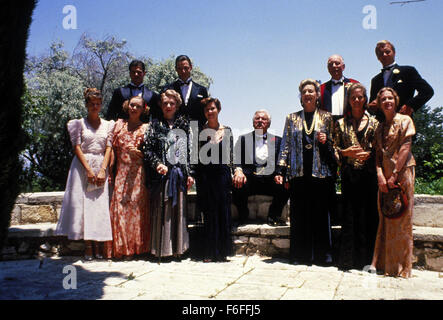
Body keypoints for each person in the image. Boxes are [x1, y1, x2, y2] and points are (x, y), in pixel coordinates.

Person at [275, 79, 336, 266]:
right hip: (298, 172)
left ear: (317, 95)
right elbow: (285, 144)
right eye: (304, 91)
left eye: (311, 91)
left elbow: (335, 147)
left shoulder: (327, 117)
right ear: (301, 96)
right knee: (300, 216)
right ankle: (300, 256)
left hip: (320, 173)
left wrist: (327, 141)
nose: (308, 94)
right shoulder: (291, 118)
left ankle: (322, 257)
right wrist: (280, 170)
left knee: (320, 215)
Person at [56, 88, 115, 260]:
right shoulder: (78, 124)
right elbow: (77, 148)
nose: (95, 107)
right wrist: (89, 170)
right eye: (91, 104)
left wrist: (103, 169)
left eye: (97, 104)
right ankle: (88, 246)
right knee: (86, 206)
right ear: (86, 105)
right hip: (83, 167)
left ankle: (99, 245)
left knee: (99, 206)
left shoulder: (108, 125)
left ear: (101, 105)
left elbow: (109, 148)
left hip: (101, 164)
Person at [141, 89, 195, 260]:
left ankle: (179, 249)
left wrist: (190, 173)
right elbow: (147, 149)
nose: (168, 106)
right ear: (161, 105)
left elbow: (190, 150)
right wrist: (157, 164)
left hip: (179, 175)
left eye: (172, 103)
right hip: (161, 175)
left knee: (179, 212)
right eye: (165, 103)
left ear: (177, 105)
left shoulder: (185, 125)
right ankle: (162, 250)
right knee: (162, 212)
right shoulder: (155, 125)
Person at [370, 87, 416, 278]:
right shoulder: (380, 127)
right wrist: (380, 175)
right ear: (379, 104)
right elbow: (378, 156)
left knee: (402, 217)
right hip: (385, 177)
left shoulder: (405, 120)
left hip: (402, 172)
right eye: (383, 99)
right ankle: (385, 264)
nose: (387, 101)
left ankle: (402, 267)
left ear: (395, 101)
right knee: (386, 217)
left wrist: (395, 174)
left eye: (390, 98)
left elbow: (406, 147)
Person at [333, 83, 379, 270]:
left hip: (369, 175)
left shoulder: (375, 122)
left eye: (360, 97)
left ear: (365, 99)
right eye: (353, 97)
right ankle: (348, 260)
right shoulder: (340, 124)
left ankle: (367, 260)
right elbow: (334, 148)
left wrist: (371, 155)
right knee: (350, 216)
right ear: (348, 101)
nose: (357, 100)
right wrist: (345, 153)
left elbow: (381, 149)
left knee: (368, 216)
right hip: (349, 175)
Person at [104, 95, 150, 260]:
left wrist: (140, 153)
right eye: (132, 105)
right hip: (122, 174)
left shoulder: (146, 128)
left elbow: (152, 154)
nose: (134, 109)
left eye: (138, 106)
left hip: (138, 173)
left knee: (136, 212)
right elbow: (111, 151)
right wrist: (109, 172)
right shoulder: (118, 125)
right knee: (121, 211)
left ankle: (137, 249)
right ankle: (123, 249)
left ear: (143, 109)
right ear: (127, 106)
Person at [232, 110, 289, 226]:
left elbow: (282, 159)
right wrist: (238, 171)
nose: (260, 121)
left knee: (287, 185)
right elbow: (236, 157)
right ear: (253, 122)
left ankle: (273, 215)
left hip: (269, 179)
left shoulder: (277, 140)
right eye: (257, 119)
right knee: (236, 184)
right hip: (250, 179)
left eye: (264, 119)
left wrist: (280, 174)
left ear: (269, 123)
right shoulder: (243, 139)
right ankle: (243, 214)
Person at [197, 97, 233, 262]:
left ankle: (222, 252)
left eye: (212, 108)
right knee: (209, 213)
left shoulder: (228, 130)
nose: (209, 112)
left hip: (222, 174)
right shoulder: (199, 131)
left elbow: (231, 155)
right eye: (207, 110)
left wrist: (235, 171)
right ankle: (209, 252)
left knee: (222, 212)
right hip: (206, 175)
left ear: (218, 109)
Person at [368, 40, 434, 120]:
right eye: (380, 54)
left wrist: (410, 106)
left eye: (387, 52)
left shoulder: (408, 71)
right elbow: (372, 108)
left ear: (394, 53)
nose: (384, 55)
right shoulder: (375, 80)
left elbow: (427, 91)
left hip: (403, 122)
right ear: (378, 57)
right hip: (382, 126)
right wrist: (372, 106)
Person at [162, 55, 209, 127]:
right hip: (174, 130)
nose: (183, 71)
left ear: (191, 67)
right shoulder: (167, 89)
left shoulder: (202, 90)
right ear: (176, 69)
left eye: (186, 68)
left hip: (196, 131)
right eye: (179, 68)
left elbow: (206, 113)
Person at [320, 54, 359, 120]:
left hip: (350, 125)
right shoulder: (322, 88)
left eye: (337, 63)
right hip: (328, 127)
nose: (334, 66)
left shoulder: (354, 84)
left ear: (343, 67)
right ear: (328, 68)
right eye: (331, 64)